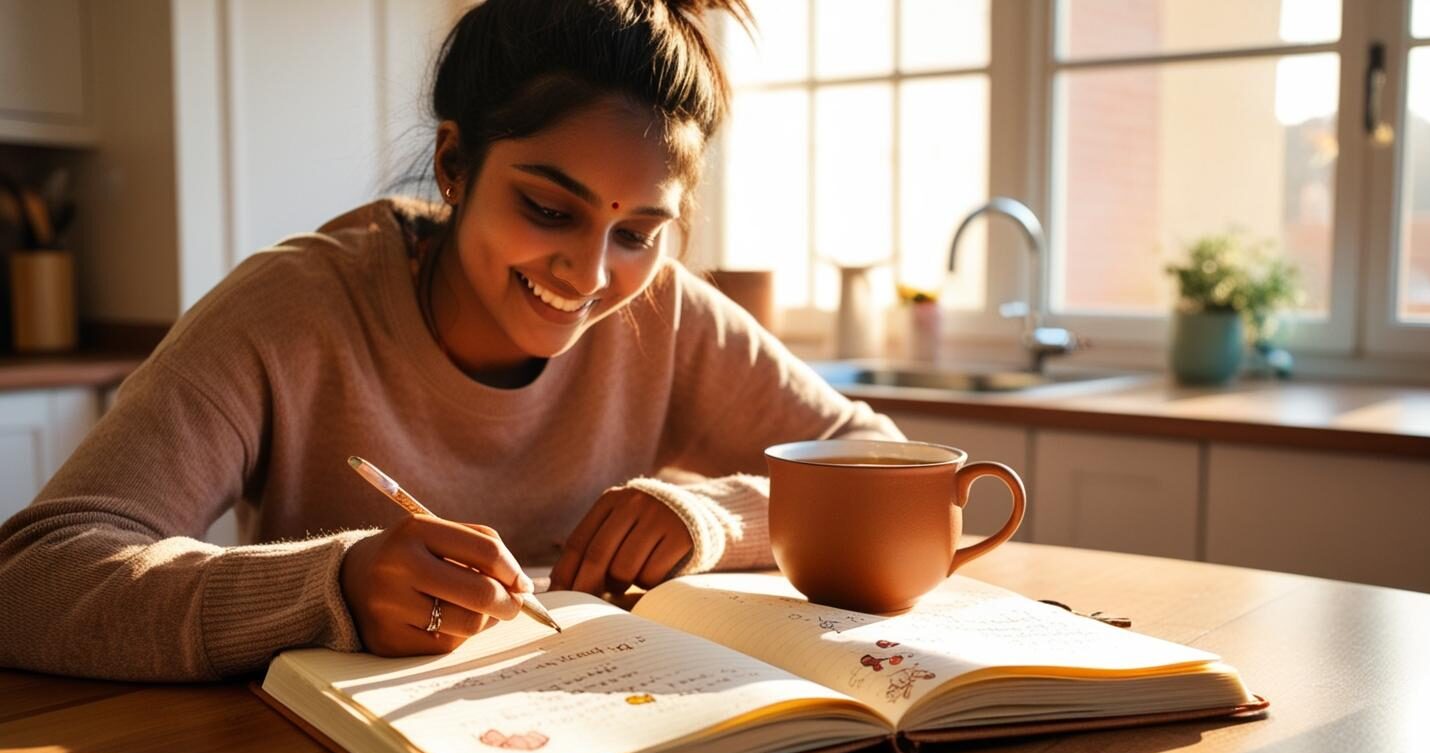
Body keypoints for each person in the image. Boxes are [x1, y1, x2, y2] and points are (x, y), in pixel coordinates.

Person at [0, 0, 901, 682]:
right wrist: (334, 587)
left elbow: (887, 467)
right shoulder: (294, 308)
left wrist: (708, 516)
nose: (590, 276)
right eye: (549, 210)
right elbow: (33, 578)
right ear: (453, 163)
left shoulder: (664, 313)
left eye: (636, 234)